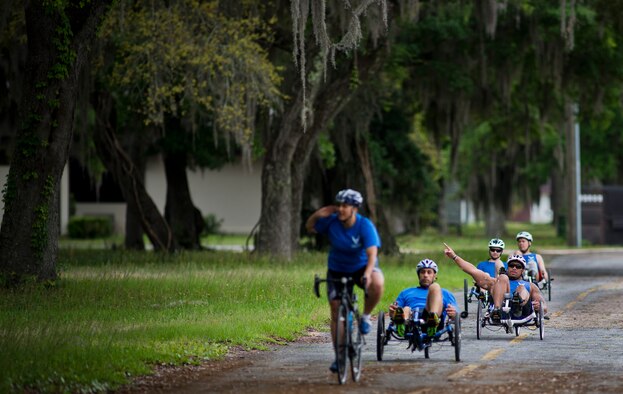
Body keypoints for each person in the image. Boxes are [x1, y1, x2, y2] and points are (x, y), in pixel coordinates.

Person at [306, 188, 385, 373]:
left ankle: (365, 316)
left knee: (378, 281)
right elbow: (309, 227)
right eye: (339, 205)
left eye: (345, 205)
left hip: (360, 267)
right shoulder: (332, 222)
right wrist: (319, 213)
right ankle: (339, 357)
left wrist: (367, 272)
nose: (340, 209)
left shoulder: (364, 225)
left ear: (354, 208)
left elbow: (372, 253)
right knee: (335, 310)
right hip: (337, 269)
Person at [443, 243, 547, 322]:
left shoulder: (531, 286)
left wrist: (539, 307)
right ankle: (497, 310)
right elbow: (472, 270)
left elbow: (544, 307)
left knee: (521, 288)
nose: (514, 268)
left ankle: (517, 303)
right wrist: (454, 256)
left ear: (523, 270)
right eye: (511, 266)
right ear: (508, 267)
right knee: (502, 277)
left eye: (518, 266)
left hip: (523, 312)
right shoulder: (496, 282)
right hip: (501, 311)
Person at [388, 259, 458, 338]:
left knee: (435, 287)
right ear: (419, 275)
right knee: (406, 308)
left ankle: (432, 321)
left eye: (429, 272)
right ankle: (402, 325)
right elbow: (395, 311)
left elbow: (456, 316)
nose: (425, 275)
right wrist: (392, 311)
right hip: (411, 320)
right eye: (422, 272)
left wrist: (453, 313)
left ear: (435, 275)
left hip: (431, 318)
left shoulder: (445, 293)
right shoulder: (406, 292)